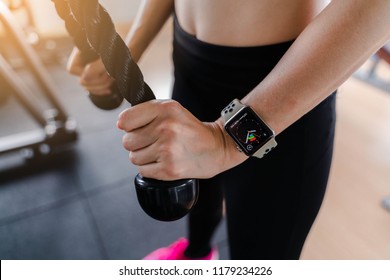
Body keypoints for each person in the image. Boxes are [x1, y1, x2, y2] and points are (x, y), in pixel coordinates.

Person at [67, 0, 390, 260]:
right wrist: (126, 52)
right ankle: (197, 255)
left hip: (282, 80)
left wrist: (226, 139)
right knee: (200, 200)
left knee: (261, 255)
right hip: (191, 57)